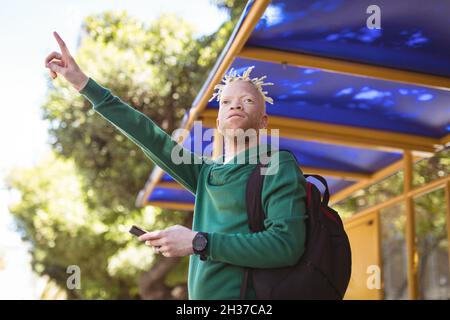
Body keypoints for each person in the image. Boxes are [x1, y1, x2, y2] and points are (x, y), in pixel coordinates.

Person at [45, 31, 308, 300]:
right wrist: (83, 83)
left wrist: (198, 242)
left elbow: (286, 244)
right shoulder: (206, 173)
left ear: (263, 122)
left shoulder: (276, 164)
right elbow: (147, 134)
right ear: (218, 123)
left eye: (247, 100)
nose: (234, 105)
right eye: (226, 102)